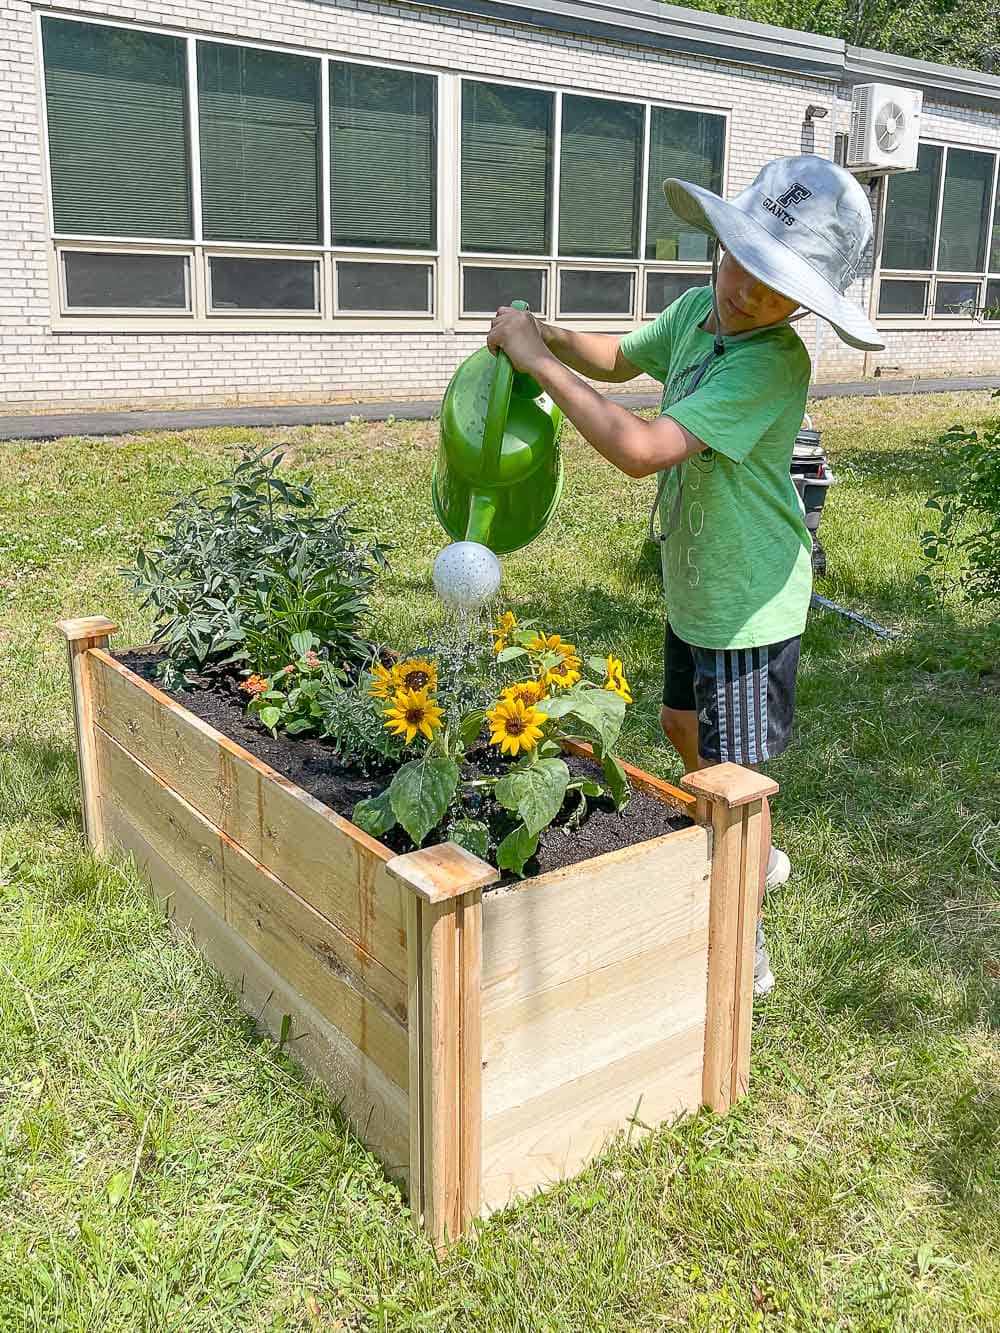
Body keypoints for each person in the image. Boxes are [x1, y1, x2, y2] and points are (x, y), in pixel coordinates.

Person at [486, 153, 884, 995]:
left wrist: (538, 368)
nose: (748, 292)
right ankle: (760, 847)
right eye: (743, 260)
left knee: (730, 780)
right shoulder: (699, 311)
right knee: (678, 723)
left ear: (803, 307)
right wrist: (551, 335)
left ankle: (747, 937)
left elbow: (641, 450)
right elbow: (621, 358)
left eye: (778, 288)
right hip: (696, 579)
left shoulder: (773, 362)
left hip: (748, 600)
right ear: (724, 241)